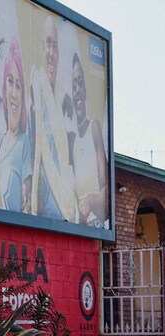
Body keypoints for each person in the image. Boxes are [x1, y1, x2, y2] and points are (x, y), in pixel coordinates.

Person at [28, 15, 77, 220]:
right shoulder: (35, 86)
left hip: (63, 204)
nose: (50, 53)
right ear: (41, 48)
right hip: (42, 200)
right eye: (47, 44)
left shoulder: (64, 101)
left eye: (54, 46)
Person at [70, 53, 109, 225]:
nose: (77, 90)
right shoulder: (73, 142)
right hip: (78, 229)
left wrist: (91, 201)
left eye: (80, 83)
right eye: (73, 85)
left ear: (85, 91)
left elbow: (106, 192)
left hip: (96, 226)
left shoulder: (94, 128)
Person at [0, 40, 32, 213]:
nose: (14, 93)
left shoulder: (24, 142)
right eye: (10, 82)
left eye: (19, 86)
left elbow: (26, 203)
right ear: (4, 87)